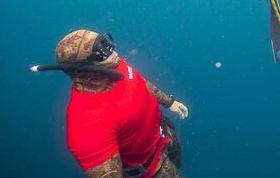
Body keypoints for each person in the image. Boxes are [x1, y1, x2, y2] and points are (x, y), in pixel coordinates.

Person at [49, 29, 188, 177]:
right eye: (101, 50)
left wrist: (168, 102)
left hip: (165, 134)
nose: (111, 50)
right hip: (155, 169)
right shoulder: (87, 125)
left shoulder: (111, 64)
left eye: (105, 41)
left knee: (179, 164)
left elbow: (138, 82)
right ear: (84, 68)